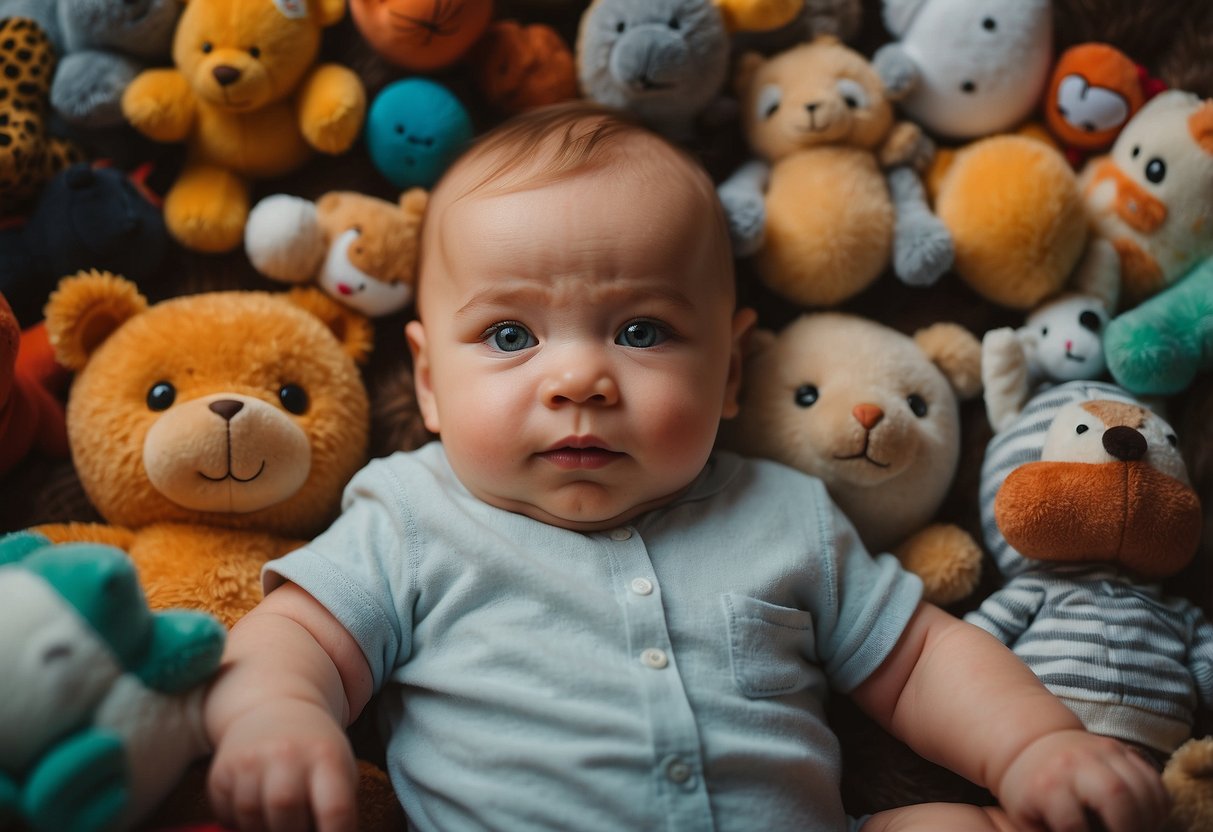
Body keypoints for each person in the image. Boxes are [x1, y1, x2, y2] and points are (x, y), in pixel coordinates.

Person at [204, 101, 1167, 832]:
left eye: (640, 330)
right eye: (508, 334)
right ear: (427, 381)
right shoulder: (412, 517)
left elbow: (918, 662)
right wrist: (277, 721)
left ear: (732, 370)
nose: (578, 377)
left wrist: (1034, 747)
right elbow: (293, 639)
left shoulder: (786, 515)